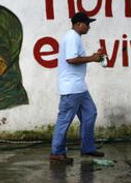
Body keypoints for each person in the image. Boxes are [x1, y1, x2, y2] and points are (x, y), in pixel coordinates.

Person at [50, 12, 105, 163]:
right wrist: (93, 59)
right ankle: (56, 152)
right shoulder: (72, 37)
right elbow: (71, 59)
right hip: (71, 88)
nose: (89, 27)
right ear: (78, 24)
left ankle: (87, 148)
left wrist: (93, 56)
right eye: (87, 24)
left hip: (79, 87)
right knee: (64, 120)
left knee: (90, 113)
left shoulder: (75, 37)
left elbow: (76, 57)